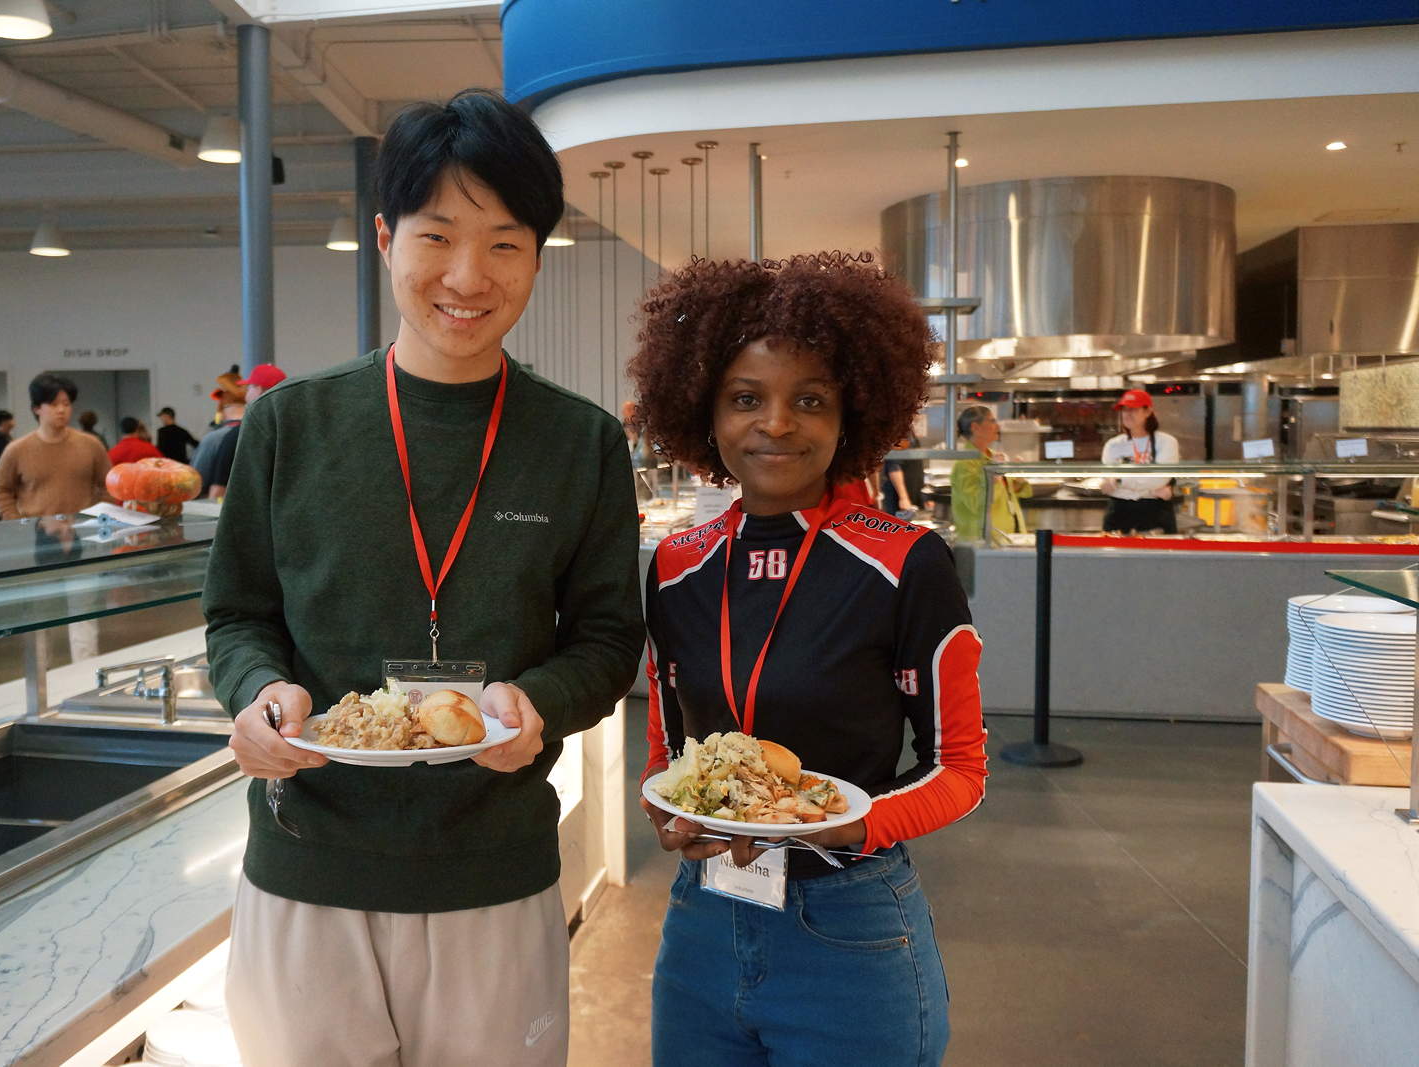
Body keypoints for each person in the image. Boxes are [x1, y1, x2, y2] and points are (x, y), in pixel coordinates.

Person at [205, 89, 644, 1067]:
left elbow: (610, 638)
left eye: (502, 242)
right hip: (306, 865)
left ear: (537, 253)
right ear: (383, 237)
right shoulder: (287, 427)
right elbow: (238, 614)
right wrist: (257, 692)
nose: (465, 275)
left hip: (493, 870)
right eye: (436, 235)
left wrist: (535, 699)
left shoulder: (580, 442)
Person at [629, 251, 987, 1066]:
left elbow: (961, 767)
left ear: (852, 414)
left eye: (810, 400)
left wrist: (855, 823)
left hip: (848, 927)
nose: (777, 423)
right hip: (702, 921)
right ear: (705, 413)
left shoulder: (905, 562)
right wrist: (669, 809)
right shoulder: (676, 564)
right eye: (746, 398)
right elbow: (665, 741)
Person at [0, 373, 112, 519]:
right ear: (36, 408)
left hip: (82, 531)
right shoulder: (17, 449)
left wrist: (100, 516)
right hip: (36, 532)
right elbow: (0, 489)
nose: (61, 410)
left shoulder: (92, 445)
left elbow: (109, 485)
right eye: (54, 404)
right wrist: (15, 521)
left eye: (66, 404)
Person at [191, 364, 284, 499]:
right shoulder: (289, 433)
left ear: (257, 390)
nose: (246, 392)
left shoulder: (234, 436)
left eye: (249, 387)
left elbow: (209, 489)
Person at [1100, 387, 1180, 534]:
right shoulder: (1113, 445)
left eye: (1133, 410)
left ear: (1148, 412)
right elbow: (1108, 480)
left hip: (1155, 512)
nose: (1127, 414)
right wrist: (1148, 484)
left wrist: (1120, 481)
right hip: (1119, 511)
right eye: (1124, 410)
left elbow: (1159, 479)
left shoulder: (1167, 442)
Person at [950, 405, 1030, 542]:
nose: (997, 426)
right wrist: (994, 476)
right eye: (992, 421)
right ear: (975, 427)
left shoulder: (993, 457)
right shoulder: (964, 464)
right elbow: (976, 504)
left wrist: (1018, 479)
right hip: (982, 540)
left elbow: (1010, 494)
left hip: (1006, 536)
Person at [881, 430, 925, 519]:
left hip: (911, 491)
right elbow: (894, 467)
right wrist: (903, 498)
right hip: (897, 497)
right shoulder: (898, 431)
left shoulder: (908, 430)